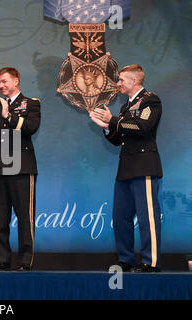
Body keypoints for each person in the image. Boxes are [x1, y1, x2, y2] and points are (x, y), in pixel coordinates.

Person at [90, 64, 162, 272]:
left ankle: (151, 261)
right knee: (120, 217)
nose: (118, 83)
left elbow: (142, 127)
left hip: (144, 166)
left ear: (134, 81)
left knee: (147, 217)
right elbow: (118, 138)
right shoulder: (124, 108)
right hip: (126, 168)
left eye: (121, 80)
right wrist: (106, 127)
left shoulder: (151, 100)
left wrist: (112, 120)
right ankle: (126, 259)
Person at [0, 67, 41, 271]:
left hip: (21, 166)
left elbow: (31, 127)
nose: (1, 86)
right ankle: (2, 261)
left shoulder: (31, 103)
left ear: (16, 81)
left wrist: (8, 115)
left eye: (4, 81)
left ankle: (25, 261)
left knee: (24, 217)